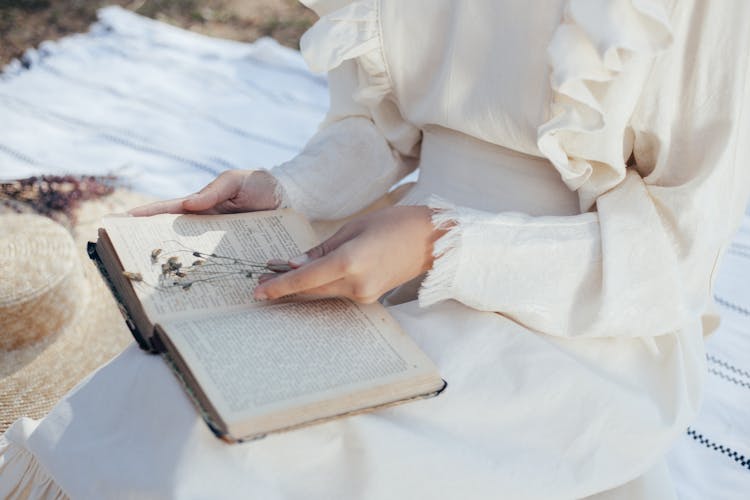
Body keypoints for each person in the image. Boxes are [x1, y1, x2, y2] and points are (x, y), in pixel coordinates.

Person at [2, 0, 750, 498]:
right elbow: (386, 125)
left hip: (582, 313)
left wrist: (443, 240)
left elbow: (677, 256)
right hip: (385, 251)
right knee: (152, 398)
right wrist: (288, 190)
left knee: (239, 463)